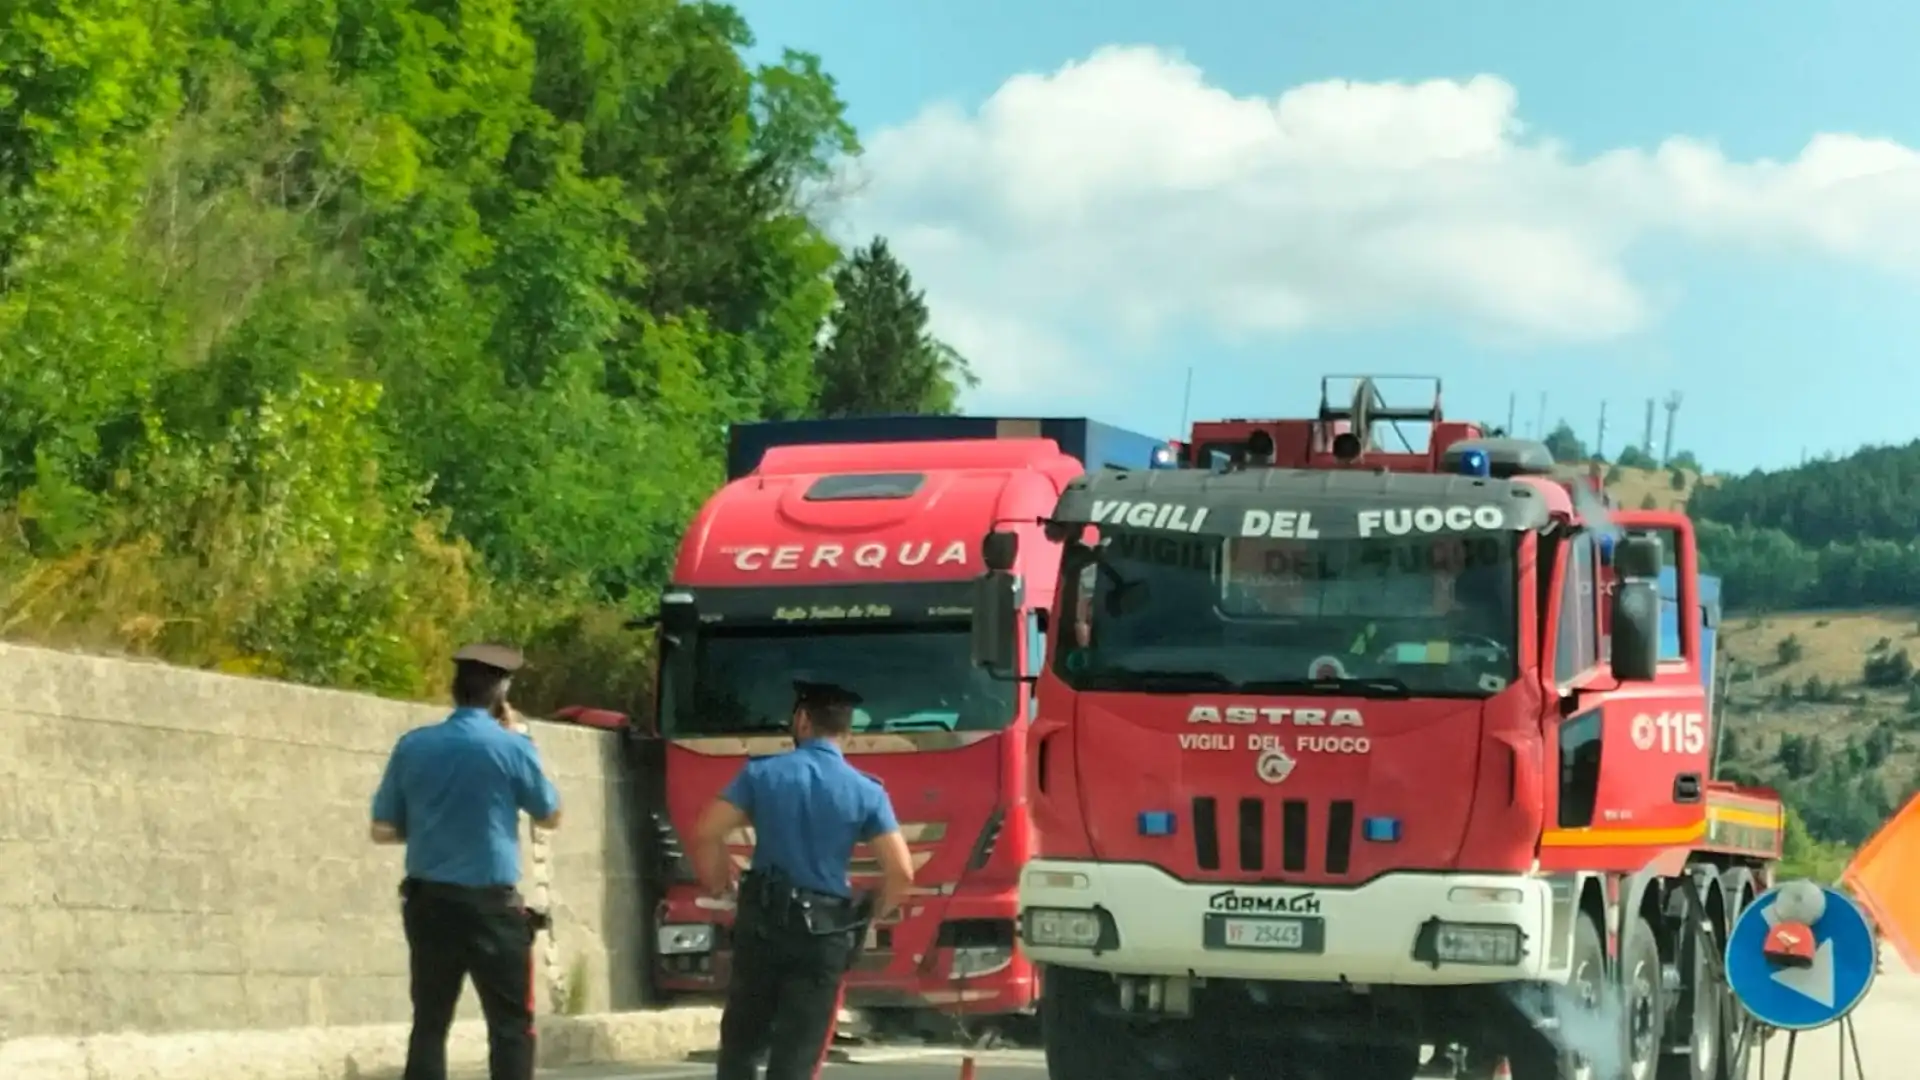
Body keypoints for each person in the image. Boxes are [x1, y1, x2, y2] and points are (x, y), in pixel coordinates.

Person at [693, 681, 915, 1080]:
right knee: (798, 1057)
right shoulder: (867, 792)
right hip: (824, 934)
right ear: (845, 732)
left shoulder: (761, 774)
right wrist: (868, 915)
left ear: (801, 720)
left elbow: (708, 832)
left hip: (761, 923)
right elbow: (901, 872)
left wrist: (720, 885)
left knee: (741, 1045)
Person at [369, 643, 563, 1080]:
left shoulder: (413, 745)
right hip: (492, 908)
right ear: (501, 691)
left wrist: (434, 827)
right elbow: (549, 814)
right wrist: (521, 740)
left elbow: (382, 828)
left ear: (454, 689)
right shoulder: (513, 747)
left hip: (429, 904)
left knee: (431, 1022)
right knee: (511, 1025)